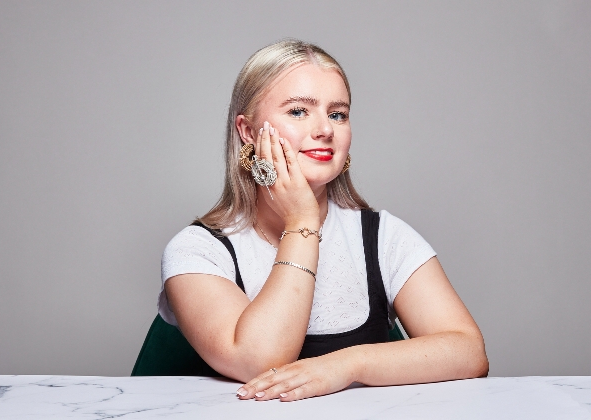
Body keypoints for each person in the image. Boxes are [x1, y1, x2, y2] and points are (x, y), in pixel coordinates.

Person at [158, 39, 488, 402]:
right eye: (299, 111)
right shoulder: (198, 249)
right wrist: (302, 220)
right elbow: (260, 360)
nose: (325, 130)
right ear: (248, 132)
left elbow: (469, 352)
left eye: (338, 114)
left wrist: (347, 365)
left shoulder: (383, 235)